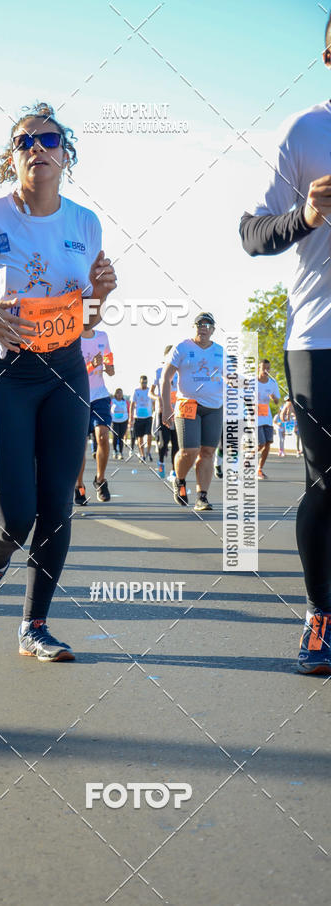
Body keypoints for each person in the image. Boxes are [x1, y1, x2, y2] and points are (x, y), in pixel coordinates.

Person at [0, 101, 116, 660]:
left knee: (57, 507)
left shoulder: (86, 222)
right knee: (15, 516)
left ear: (66, 154)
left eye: (50, 139)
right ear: (10, 159)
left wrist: (102, 295)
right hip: (4, 372)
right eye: (24, 141)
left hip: (65, 369)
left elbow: (88, 318)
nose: (38, 148)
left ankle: (33, 626)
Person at [239, 13, 331, 673]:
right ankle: (321, 617)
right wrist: (306, 215)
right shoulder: (305, 131)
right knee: (327, 485)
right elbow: (250, 233)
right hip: (319, 338)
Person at [161, 312, 223, 512]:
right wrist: (166, 408)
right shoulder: (183, 347)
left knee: (208, 452)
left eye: (207, 324)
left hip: (214, 407)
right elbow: (166, 378)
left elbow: (231, 377)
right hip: (187, 404)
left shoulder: (221, 351)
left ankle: (201, 497)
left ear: (213, 329)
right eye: (199, 324)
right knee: (190, 450)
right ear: (194, 327)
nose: (203, 327)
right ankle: (179, 479)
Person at [75, 326, 115, 504]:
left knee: (103, 436)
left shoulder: (102, 336)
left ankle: (100, 480)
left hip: (100, 396)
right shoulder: (72, 338)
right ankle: (79, 486)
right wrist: (92, 365)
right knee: (79, 446)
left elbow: (108, 357)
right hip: (78, 396)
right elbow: (71, 372)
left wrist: (110, 367)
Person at [150, 346, 179, 478]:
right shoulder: (158, 371)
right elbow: (150, 392)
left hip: (177, 412)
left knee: (176, 443)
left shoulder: (180, 372)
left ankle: (174, 470)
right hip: (162, 411)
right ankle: (161, 462)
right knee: (163, 441)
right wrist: (158, 398)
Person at [256, 359, 280, 479]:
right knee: (261, 443)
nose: (266, 371)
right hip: (254, 416)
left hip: (267, 416)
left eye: (268, 368)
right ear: (258, 369)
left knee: (268, 444)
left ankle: (259, 469)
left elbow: (277, 401)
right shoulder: (252, 382)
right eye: (263, 368)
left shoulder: (272, 382)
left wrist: (274, 398)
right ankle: (247, 458)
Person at [131, 375, 153, 462]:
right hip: (138, 417)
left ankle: (148, 451)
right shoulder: (136, 391)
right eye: (142, 382)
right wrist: (131, 417)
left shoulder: (149, 391)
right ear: (140, 382)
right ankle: (142, 454)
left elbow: (154, 402)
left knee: (149, 435)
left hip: (148, 416)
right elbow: (132, 404)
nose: (144, 384)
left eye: (145, 382)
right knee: (139, 437)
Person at [110, 388, 128, 460]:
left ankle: (121, 452)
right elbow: (109, 410)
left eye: (121, 393)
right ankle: (115, 451)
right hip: (114, 421)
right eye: (118, 393)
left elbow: (128, 411)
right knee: (115, 436)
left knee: (121, 437)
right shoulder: (112, 401)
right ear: (115, 394)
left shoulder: (125, 402)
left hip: (123, 421)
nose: (120, 394)